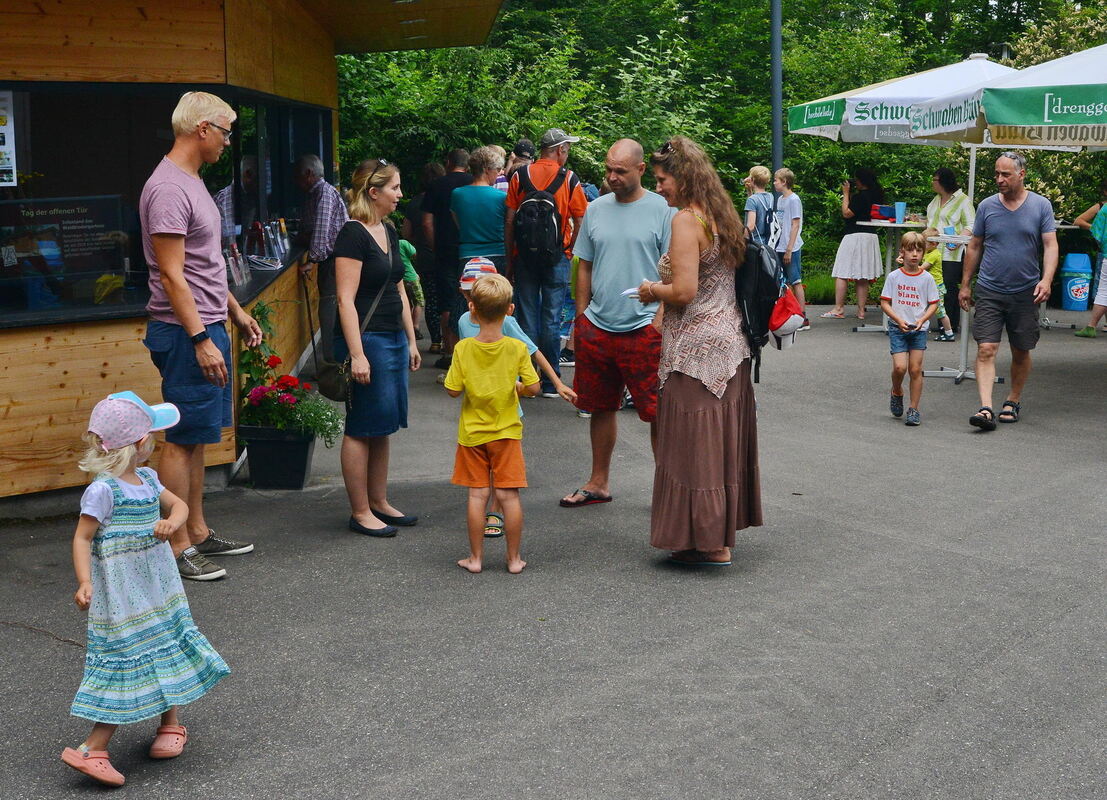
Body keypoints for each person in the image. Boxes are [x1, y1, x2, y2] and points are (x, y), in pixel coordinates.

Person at [63, 392, 229, 788]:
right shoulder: (103, 490)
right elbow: (83, 538)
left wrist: (173, 522)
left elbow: (181, 506)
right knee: (131, 654)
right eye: (152, 435)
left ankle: (171, 724)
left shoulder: (150, 479)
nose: (155, 442)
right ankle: (92, 748)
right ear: (139, 443)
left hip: (157, 586)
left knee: (165, 642)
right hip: (121, 595)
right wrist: (85, 581)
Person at [141, 91, 261, 582]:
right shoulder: (169, 188)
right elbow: (172, 276)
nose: (229, 142)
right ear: (202, 130)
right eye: (227, 131)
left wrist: (235, 312)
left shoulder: (192, 182)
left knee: (196, 439)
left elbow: (204, 266)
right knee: (181, 440)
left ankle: (200, 530)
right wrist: (199, 339)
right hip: (185, 333)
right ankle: (177, 546)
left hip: (208, 324)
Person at [636, 137, 762, 566]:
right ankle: (709, 536)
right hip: (732, 348)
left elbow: (685, 291)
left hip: (695, 352)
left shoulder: (686, 221)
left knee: (695, 447)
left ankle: (709, 542)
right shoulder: (721, 215)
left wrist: (650, 289)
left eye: (662, 179)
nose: (659, 189)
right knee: (716, 445)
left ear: (683, 177)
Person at [560, 139, 673, 509]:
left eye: (620, 171)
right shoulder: (595, 209)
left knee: (657, 409)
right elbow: (585, 265)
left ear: (641, 170)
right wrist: (581, 319)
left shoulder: (663, 210)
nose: (611, 177)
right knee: (599, 405)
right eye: (608, 169)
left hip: (645, 326)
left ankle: (666, 487)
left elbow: (674, 269)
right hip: (598, 325)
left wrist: (659, 318)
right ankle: (598, 481)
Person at [456, 259, 575, 536]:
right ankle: (484, 507)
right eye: (469, 293)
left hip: (506, 408)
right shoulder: (463, 321)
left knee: (500, 467)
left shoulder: (505, 322)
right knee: (482, 464)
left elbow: (533, 350)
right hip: (477, 406)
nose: (471, 298)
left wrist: (556, 382)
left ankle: (495, 512)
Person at [335, 158, 422, 535]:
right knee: (361, 426)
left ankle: (379, 500)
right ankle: (360, 512)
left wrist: (412, 339)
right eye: (395, 188)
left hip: (392, 339)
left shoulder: (386, 229)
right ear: (374, 192)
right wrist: (357, 354)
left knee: (382, 425)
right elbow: (344, 300)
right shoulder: (352, 234)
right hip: (368, 340)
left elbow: (399, 286)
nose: (400, 194)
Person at [444, 273, 540, 574]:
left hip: (472, 434)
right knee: (509, 496)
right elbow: (534, 387)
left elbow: (452, 389)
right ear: (509, 310)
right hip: (508, 433)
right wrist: (520, 389)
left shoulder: (462, 349)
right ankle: (513, 559)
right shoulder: (516, 348)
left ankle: (475, 558)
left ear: (471, 308)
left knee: (477, 496)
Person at [959, 151, 1058, 431]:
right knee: (986, 348)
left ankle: (1012, 400)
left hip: (1026, 291)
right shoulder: (987, 206)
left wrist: (1047, 279)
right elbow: (975, 245)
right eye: (996, 174)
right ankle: (985, 407)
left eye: (1005, 174)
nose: (999, 179)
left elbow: (1050, 245)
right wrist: (966, 284)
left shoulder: (1041, 206)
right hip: (990, 289)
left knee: (1021, 350)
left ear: (1021, 174)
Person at [505, 128, 589, 397]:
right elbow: (581, 219)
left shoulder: (520, 175)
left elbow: (509, 220)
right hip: (557, 258)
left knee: (526, 317)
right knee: (552, 319)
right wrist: (569, 249)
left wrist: (511, 257)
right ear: (560, 150)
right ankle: (552, 383)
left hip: (524, 257)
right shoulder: (569, 179)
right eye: (567, 149)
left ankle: (528, 379)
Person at [879, 232, 940, 426]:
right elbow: (885, 302)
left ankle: (914, 409)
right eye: (910, 250)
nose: (914, 254)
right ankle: (896, 390)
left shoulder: (927, 278)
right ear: (902, 252)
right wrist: (897, 318)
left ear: (923, 253)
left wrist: (923, 319)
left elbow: (933, 304)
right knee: (900, 367)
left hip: (918, 329)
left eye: (919, 250)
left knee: (915, 369)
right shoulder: (894, 277)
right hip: (898, 328)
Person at [294, 153, 350, 360]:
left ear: (308, 174)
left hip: (335, 262)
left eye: (297, 176)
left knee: (330, 311)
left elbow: (320, 232)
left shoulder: (324, 194)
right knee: (330, 309)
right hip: (331, 260)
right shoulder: (314, 195)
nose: (296, 182)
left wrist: (311, 261)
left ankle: (333, 364)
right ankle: (333, 361)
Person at [423, 150, 474, 369]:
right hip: (469, 248)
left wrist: (435, 245)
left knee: (447, 301)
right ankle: (471, 351)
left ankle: (450, 352)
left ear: (448, 162)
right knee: (471, 297)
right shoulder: (474, 182)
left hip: (445, 249)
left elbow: (426, 222)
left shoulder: (437, 185)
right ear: (468, 165)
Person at [823, 168, 884, 320]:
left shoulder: (860, 197)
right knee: (862, 276)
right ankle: (861, 311)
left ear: (861, 181)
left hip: (854, 235)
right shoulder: (877, 195)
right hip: (870, 235)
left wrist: (845, 194)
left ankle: (839, 308)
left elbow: (846, 213)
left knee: (842, 272)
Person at [402, 162, 446, 352]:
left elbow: (406, 232)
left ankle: (436, 341)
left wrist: (419, 241)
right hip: (445, 255)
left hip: (425, 257)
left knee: (431, 299)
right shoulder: (447, 198)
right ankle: (450, 342)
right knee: (447, 298)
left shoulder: (414, 203)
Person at [926, 167, 976, 333]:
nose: (932, 183)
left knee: (948, 286)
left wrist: (958, 239)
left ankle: (951, 324)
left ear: (943, 181)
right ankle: (942, 321)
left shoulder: (963, 200)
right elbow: (932, 221)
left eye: (934, 180)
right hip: (933, 250)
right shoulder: (935, 200)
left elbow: (971, 224)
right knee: (936, 287)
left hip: (952, 252)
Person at [451, 145, 508, 273]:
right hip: (497, 254)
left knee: (470, 292)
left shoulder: (457, 194)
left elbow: (459, 225)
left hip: (467, 255)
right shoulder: (502, 197)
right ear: (487, 169)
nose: (499, 173)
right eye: (497, 169)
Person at [773, 167, 808, 329]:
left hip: (790, 246)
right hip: (780, 245)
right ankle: (789, 313)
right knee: (784, 281)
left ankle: (802, 316)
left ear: (784, 182)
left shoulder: (794, 199)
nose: (774, 183)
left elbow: (795, 224)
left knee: (795, 280)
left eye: (776, 180)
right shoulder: (780, 200)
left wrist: (789, 248)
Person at [1073, 179, 1107, 338]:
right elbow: (1080, 220)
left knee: (1103, 290)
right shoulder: (1101, 206)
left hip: (1106, 253)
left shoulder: (1104, 209)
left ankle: (1091, 326)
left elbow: (1098, 233)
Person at [921, 229, 957, 341]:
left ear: (934, 244)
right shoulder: (927, 252)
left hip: (936, 287)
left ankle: (949, 333)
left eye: (924, 243)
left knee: (940, 312)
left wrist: (907, 266)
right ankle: (919, 328)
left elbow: (922, 268)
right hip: (928, 286)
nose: (922, 245)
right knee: (921, 307)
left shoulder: (934, 254)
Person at [743, 165, 775, 244]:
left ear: (752, 179)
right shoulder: (770, 196)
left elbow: (751, 226)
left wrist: (742, 240)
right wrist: (749, 191)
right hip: (768, 241)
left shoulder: (752, 200)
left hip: (756, 243)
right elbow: (758, 204)